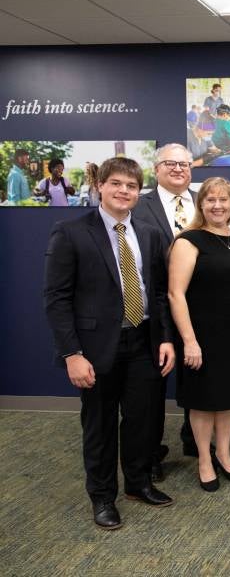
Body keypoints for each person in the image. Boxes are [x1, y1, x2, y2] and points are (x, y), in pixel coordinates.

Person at [44, 156, 176, 530]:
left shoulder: (149, 234)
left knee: (142, 420)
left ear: (139, 192)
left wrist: (165, 339)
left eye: (131, 186)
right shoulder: (70, 232)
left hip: (143, 341)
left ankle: (137, 484)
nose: (124, 191)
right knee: (100, 425)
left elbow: (160, 293)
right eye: (116, 183)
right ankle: (103, 497)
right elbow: (56, 298)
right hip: (96, 348)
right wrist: (72, 354)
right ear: (100, 186)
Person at [168, 177, 230, 492]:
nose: (217, 205)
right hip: (202, 334)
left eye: (223, 200)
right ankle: (205, 460)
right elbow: (175, 294)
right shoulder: (188, 240)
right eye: (210, 200)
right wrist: (190, 341)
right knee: (204, 401)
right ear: (201, 204)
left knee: (226, 400)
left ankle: (224, 453)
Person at [131, 143, 198, 479]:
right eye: (170, 163)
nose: (178, 169)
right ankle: (151, 453)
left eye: (184, 164)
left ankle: (195, 440)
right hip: (155, 309)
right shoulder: (138, 206)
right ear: (155, 169)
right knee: (153, 386)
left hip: (197, 308)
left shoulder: (204, 202)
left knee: (197, 377)